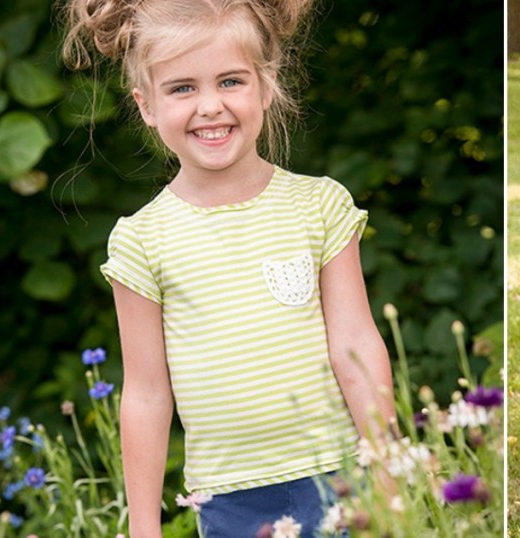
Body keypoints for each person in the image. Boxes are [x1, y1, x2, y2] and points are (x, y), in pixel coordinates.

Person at [61, 0, 396, 535]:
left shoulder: (319, 206)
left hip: (340, 477)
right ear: (146, 105)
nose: (210, 106)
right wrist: (143, 527)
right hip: (230, 501)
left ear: (266, 86)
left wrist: (387, 463)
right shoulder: (141, 240)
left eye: (231, 81)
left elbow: (354, 344)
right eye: (182, 88)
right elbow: (147, 392)